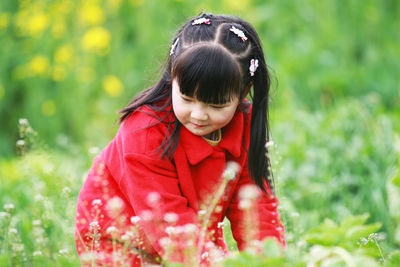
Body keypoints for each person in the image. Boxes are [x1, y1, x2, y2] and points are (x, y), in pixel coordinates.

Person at [75, 13, 285, 266]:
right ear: (172, 77)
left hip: (189, 229)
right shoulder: (145, 131)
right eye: (186, 98)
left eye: (216, 105)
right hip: (121, 236)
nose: (198, 115)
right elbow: (166, 221)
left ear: (243, 93)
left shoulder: (245, 126)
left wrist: (269, 261)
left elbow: (255, 210)